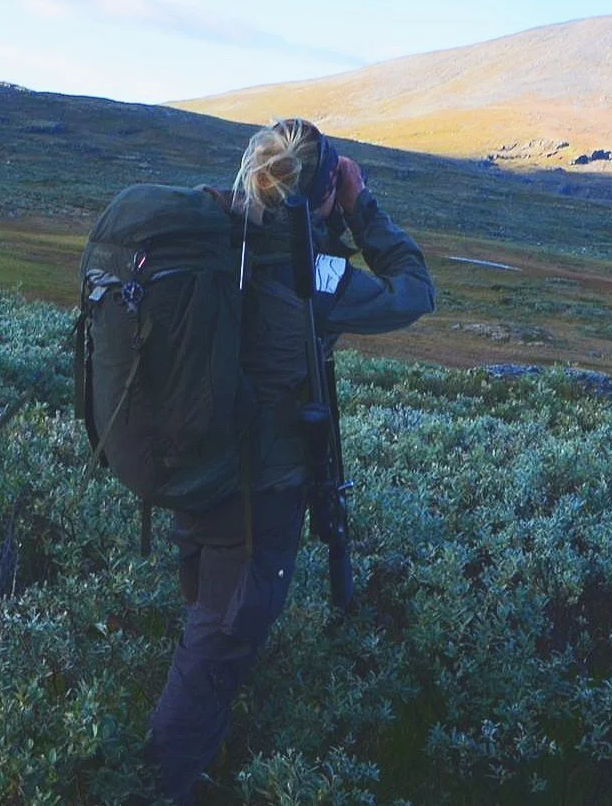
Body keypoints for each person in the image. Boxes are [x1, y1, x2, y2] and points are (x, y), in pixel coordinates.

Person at [144, 118, 435, 803]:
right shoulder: (317, 275)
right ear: (322, 189)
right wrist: (363, 208)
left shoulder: (219, 232)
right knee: (216, 647)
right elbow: (412, 291)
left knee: (209, 626)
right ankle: (154, 788)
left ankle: (181, 769)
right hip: (258, 494)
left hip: (198, 467)